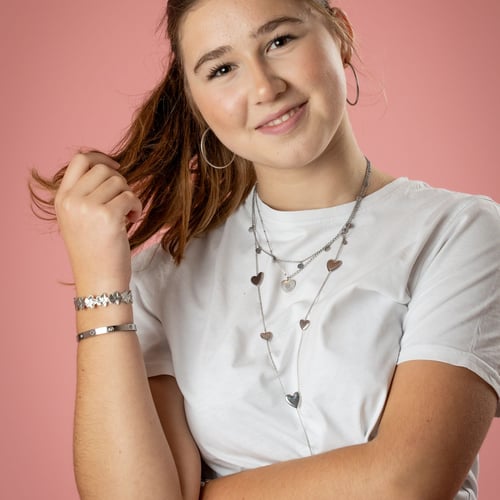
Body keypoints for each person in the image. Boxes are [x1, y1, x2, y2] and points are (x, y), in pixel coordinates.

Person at [30, 0, 499, 498]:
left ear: (339, 34)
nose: (264, 88)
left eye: (280, 41)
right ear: (195, 100)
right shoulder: (163, 277)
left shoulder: (459, 232)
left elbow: (410, 481)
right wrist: (100, 282)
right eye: (222, 69)